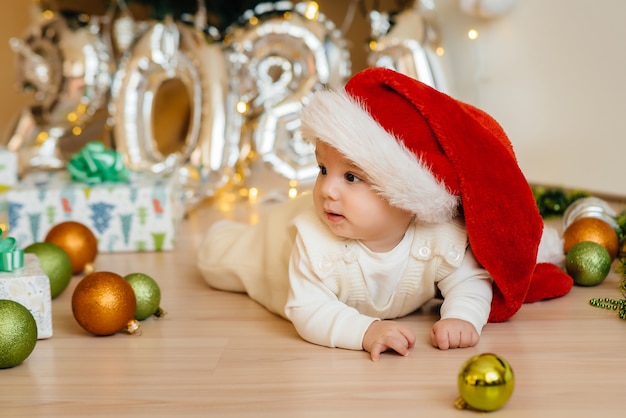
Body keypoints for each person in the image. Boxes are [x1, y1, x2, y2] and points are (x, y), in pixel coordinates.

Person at [197, 67, 573, 361]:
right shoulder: (313, 244)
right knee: (221, 258)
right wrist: (365, 331)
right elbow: (307, 308)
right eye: (322, 169)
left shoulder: (438, 236)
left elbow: (470, 281)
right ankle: (223, 236)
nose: (328, 188)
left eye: (352, 177)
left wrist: (462, 317)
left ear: (405, 193)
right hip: (271, 251)